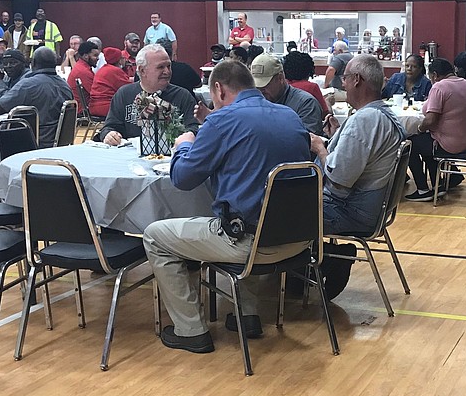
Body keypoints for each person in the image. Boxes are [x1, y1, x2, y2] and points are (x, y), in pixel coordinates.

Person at [142, 60, 312, 353]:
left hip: (250, 244)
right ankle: (246, 315)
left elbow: (183, 178)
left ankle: (190, 330)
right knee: (247, 207)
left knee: (156, 235)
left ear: (218, 89)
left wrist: (184, 145)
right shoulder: (290, 116)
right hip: (297, 239)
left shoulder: (221, 121)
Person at [309, 53, 406, 235]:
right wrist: (338, 135)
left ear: (356, 80)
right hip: (371, 211)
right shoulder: (384, 114)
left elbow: (337, 180)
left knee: (276, 209)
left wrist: (320, 148)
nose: (342, 83)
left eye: (344, 78)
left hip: (351, 213)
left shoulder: (364, 119)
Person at [405, 58, 466, 201]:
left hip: (448, 144)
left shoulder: (439, 87)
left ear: (435, 75)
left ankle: (422, 189)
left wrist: (418, 129)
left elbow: (430, 120)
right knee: (426, 142)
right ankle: (439, 185)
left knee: (409, 143)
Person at [97, 43, 197, 146]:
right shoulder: (124, 94)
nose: (167, 71)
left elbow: (194, 128)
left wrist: (188, 135)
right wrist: (110, 135)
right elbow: (109, 127)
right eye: (160, 67)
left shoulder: (183, 96)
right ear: (142, 71)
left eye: (168, 66)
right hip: (131, 157)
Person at [0, 46, 73, 148]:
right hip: (60, 144)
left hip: (32, 142)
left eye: (13, 63)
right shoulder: (65, 85)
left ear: (32, 63)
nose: (9, 67)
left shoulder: (29, 84)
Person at [250, 53, 322, 134]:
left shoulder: (306, 103)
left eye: (264, 86)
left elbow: (309, 141)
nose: (260, 91)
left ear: (280, 78)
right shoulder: (252, 103)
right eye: (256, 86)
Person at [283, 50, 331, 119]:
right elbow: (325, 114)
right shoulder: (311, 87)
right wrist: (328, 102)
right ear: (309, 71)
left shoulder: (282, 87)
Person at [89, 47, 132, 118]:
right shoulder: (115, 71)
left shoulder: (103, 69)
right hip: (106, 107)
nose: (125, 59)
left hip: (95, 106)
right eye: (122, 58)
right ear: (118, 60)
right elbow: (128, 89)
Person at [67, 40, 100, 105]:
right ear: (85, 56)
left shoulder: (80, 67)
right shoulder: (83, 71)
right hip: (84, 110)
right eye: (95, 55)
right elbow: (96, 94)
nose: (98, 58)